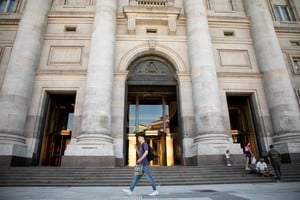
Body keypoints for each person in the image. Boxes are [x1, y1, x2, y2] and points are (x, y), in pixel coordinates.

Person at [122, 132, 158, 196]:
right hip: (140, 165)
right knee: (136, 178)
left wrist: (140, 159)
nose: (138, 138)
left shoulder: (145, 144)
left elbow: (146, 152)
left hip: (144, 164)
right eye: (138, 137)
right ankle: (130, 190)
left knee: (149, 178)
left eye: (139, 137)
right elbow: (140, 155)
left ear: (142, 137)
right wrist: (136, 149)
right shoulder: (141, 145)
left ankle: (155, 190)